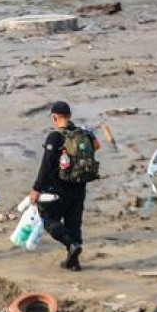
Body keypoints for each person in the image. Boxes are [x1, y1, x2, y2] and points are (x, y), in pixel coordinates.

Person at [28, 101, 100, 271]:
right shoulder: (84, 132)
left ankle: (71, 245)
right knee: (74, 222)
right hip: (79, 185)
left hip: (59, 188)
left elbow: (46, 164)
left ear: (54, 117)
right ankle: (74, 262)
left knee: (47, 218)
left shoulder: (55, 136)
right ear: (69, 116)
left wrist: (36, 189)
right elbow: (97, 146)